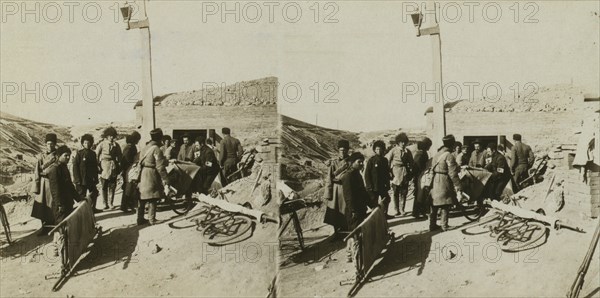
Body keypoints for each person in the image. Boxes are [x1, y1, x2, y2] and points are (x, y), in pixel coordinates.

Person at [47, 145, 83, 257]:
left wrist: (79, 198)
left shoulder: (64, 167)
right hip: (60, 205)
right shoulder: (54, 169)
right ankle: (55, 250)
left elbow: (70, 186)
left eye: (69, 156)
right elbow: (55, 190)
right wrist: (59, 205)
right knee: (60, 228)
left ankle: (65, 250)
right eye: (65, 155)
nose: (68, 158)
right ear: (58, 156)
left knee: (66, 227)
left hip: (67, 203)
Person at [341, 152, 377, 263]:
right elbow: (348, 196)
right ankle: (350, 255)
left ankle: (355, 254)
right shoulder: (347, 176)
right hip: (353, 211)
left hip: (360, 209)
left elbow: (363, 193)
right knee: (354, 234)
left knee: (358, 233)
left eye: (362, 162)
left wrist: (372, 205)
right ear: (352, 163)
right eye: (359, 162)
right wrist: (352, 211)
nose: (361, 164)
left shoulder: (357, 174)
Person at [430, 135, 463, 232]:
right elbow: (452, 173)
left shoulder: (437, 154)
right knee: (445, 203)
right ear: (452, 144)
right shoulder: (449, 155)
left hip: (435, 179)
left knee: (434, 203)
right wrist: (459, 185)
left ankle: (432, 225)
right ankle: (444, 225)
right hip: (443, 180)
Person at [137, 128, 170, 225]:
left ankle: (140, 219)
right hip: (151, 173)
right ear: (160, 138)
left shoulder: (145, 147)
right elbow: (160, 167)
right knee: (153, 196)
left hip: (143, 173)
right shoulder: (156, 149)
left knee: (143, 197)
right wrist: (166, 179)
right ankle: (152, 219)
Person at [31, 133, 58, 235]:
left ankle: (53, 226)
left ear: (55, 144)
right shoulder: (41, 156)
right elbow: (36, 172)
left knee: (53, 206)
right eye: (48, 144)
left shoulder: (57, 156)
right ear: (45, 145)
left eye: (51, 144)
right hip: (43, 184)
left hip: (53, 184)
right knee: (42, 206)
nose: (49, 146)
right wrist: (36, 186)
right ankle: (44, 227)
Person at [323, 139, 351, 236]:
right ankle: (336, 233)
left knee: (346, 210)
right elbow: (329, 178)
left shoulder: (350, 162)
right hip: (335, 189)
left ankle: (346, 231)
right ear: (338, 151)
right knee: (335, 211)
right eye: (341, 150)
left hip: (346, 189)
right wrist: (328, 193)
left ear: (348, 150)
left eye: (345, 150)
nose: (343, 152)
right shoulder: (333, 162)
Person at [385, 133, 413, 216]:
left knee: (404, 192)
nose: (403, 144)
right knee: (395, 192)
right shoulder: (393, 150)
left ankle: (402, 209)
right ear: (398, 142)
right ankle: (396, 209)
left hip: (404, 172)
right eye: (401, 142)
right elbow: (388, 161)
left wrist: (410, 171)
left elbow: (411, 162)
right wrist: (389, 172)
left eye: (404, 142)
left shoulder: (408, 151)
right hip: (395, 172)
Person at [72, 134, 101, 213]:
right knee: (82, 196)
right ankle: (82, 212)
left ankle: (92, 208)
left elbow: (95, 167)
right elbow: (75, 167)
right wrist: (77, 179)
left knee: (94, 193)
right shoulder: (79, 154)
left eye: (88, 143)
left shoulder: (93, 154)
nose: (87, 145)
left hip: (90, 179)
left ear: (91, 143)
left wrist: (96, 178)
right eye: (85, 143)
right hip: (81, 179)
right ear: (82, 143)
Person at [364, 140, 391, 219]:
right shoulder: (371, 160)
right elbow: (367, 174)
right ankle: (375, 217)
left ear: (383, 149)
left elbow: (386, 174)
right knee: (374, 203)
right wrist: (369, 186)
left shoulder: (385, 160)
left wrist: (388, 184)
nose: (379, 151)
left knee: (386, 199)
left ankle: (384, 214)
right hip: (374, 186)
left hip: (382, 185)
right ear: (374, 150)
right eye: (377, 149)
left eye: (380, 149)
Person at [96, 127, 122, 209]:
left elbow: (120, 156)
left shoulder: (116, 145)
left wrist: (118, 165)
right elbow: (96, 155)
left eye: (113, 136)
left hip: (113, 165)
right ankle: (105, 203)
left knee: (112, 185)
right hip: (104, 165)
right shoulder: (102, 144)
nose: (112, 138)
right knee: (104, 186)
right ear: (106, 136)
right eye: (110, 136)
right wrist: (98, 165)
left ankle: (111, 203)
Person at [120, 131, 141, 212]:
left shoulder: (128, 146)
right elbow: (127, 158)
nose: (138, 141)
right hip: (129, 169)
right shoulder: (130, 147)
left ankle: (127, 205)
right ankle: (125, 206)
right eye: (138, 139)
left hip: (127, 169)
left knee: (128, 188)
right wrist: (133, 162)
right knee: (128, 188)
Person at [412, 137, 432, 219]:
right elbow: (419, 165)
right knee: (421, 194)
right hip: (420, 175)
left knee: (419, 194)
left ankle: (417, 211)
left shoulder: (418, 153)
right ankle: (418, 212)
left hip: (418, 175)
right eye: (429, 146)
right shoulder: (422, 154)